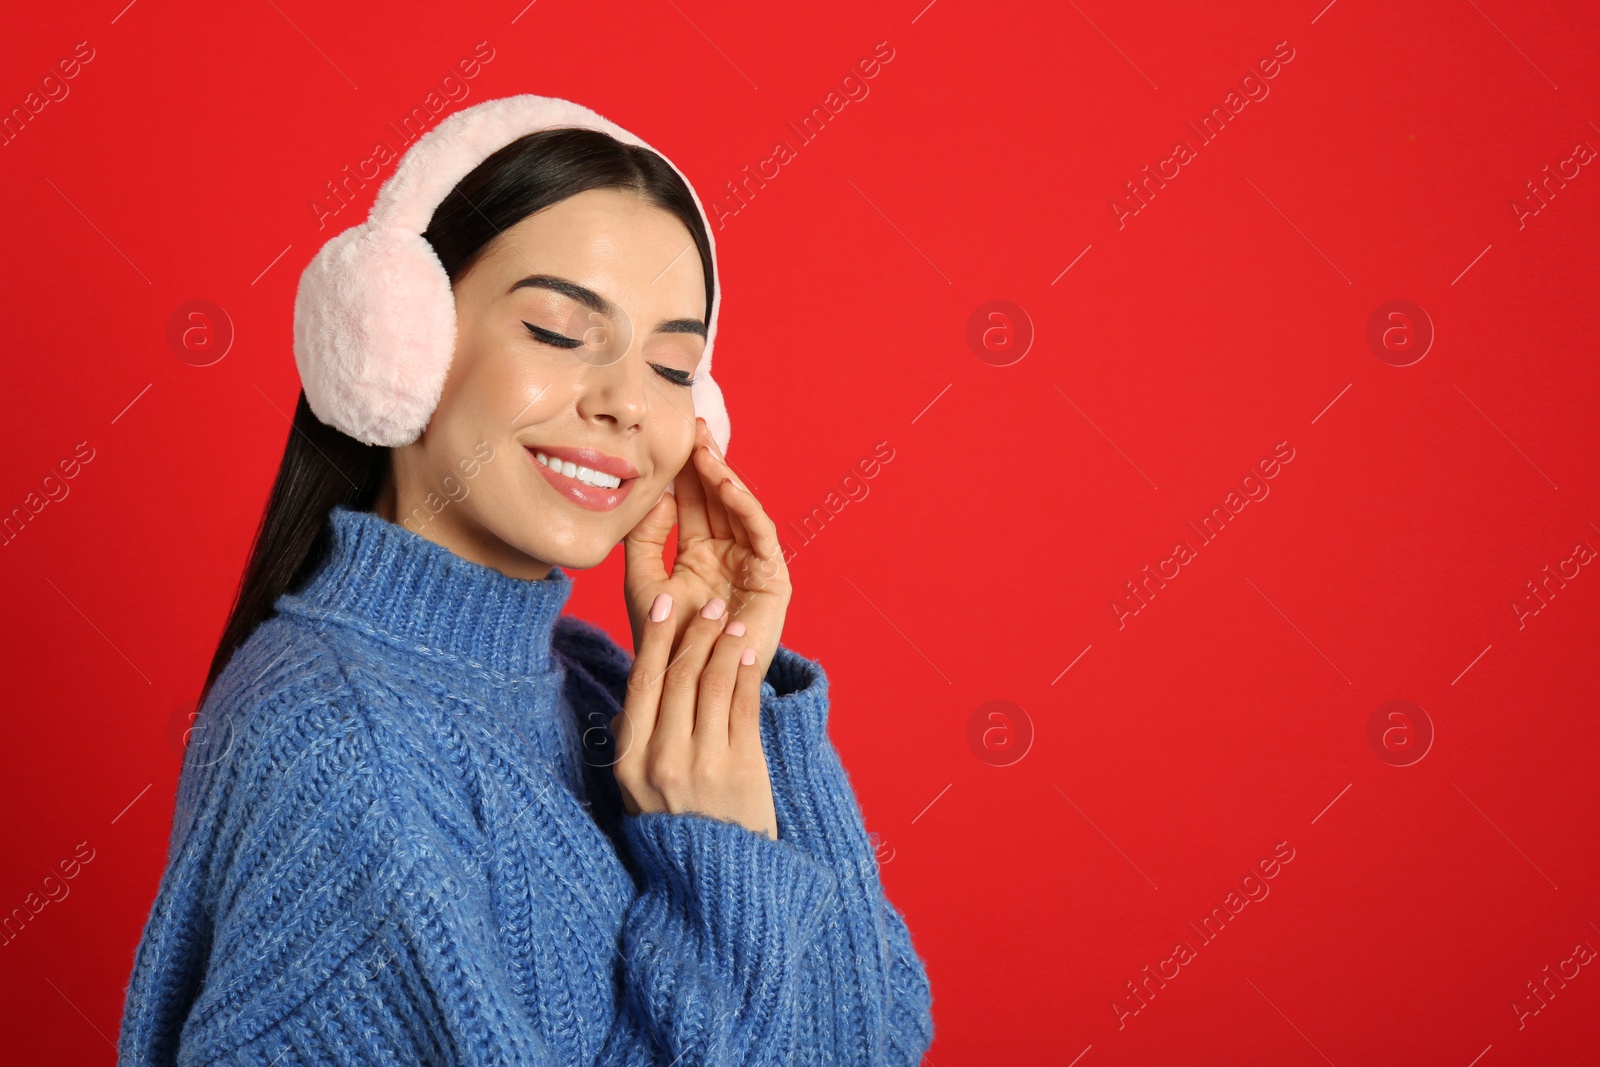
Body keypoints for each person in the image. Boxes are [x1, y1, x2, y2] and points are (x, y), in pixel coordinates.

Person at [117, 95, 934, 1065]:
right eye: (556, 330)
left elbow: (873, 1036)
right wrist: (716, 867)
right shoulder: (340, 744)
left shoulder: (588, 683)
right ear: (398, 342)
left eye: (673, 366)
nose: (628, 401)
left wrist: (731, 680)